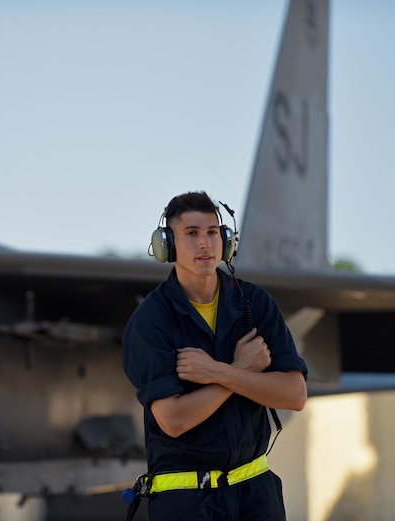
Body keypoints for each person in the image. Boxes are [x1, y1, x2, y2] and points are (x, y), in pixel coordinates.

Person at [122, 191, 308, 521]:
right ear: (168, 245)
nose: (205, 244)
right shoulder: (151, 320)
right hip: (186, 503)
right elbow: (174, 420)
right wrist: (240, 370)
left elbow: (294, 395)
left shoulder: (254, 303)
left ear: (226, 240)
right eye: (191, 234)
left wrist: (220, 372)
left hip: (256, 496)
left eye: (212, 232)